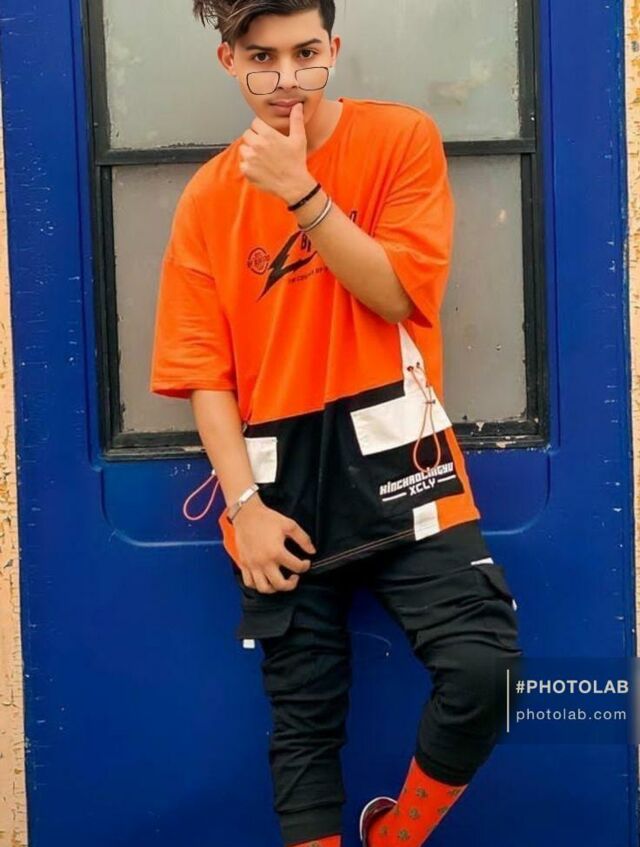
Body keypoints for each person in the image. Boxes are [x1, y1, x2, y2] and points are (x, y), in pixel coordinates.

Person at [149, 2, 524, 846]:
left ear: (334, 48)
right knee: (304, 726)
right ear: (228, 61)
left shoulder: (399, 139)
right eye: (262, 56)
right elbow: (204, 374)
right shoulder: (207, 198)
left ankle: (396, 836)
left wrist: (301, 190)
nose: (287, 79)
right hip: (280, 491)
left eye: (306, 52)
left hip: (405, 464)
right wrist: (244, 506)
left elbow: (397, 294)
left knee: (485, 668)